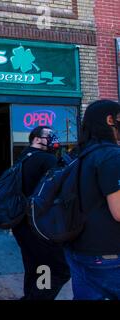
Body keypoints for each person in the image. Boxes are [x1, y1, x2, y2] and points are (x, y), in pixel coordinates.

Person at [64, 99, 120, 300]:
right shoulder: (112, 156)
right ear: (110, 120)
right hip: (108, 256)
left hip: (79, 250)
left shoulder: (81, 155)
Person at [12, 126, 70, 300]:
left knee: (34, 266)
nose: (53, 138)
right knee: (58, 269)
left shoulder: (22, 157)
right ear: (37, 139)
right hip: (39, 225)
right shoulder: (47, 160)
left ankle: (30, 296)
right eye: (49, 135)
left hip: (21, 224)